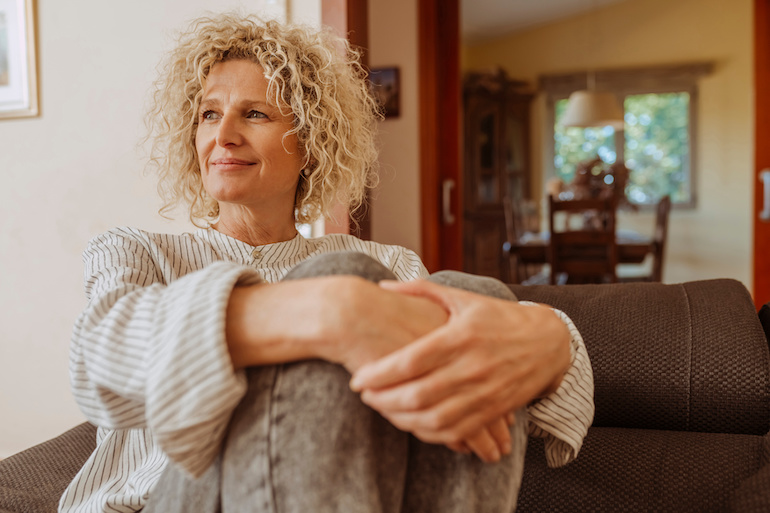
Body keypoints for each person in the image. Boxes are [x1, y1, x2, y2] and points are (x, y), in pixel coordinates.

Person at [59, 13, 594, 513]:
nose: (222, 136)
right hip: (162, 501)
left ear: (310, 141)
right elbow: (97, 361)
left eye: (254, 113)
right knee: (347, 278)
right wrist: (329, 308)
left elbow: (513, 364)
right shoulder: (138, 252)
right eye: (208, 114)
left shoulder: (385, 261)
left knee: (476, 297)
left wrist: (550, 339)